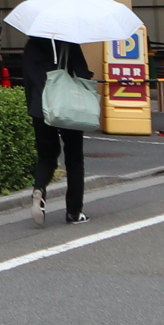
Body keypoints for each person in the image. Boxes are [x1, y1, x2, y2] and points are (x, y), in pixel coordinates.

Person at [19, 32, 96, 224]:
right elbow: (82, 73)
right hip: (67, 107)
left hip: (40, 108)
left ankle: (39, 188)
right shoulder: (68, 42)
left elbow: (28, 82)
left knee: (46, 157)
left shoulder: (31, 47)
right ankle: (74, 212)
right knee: (74, 158)